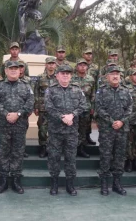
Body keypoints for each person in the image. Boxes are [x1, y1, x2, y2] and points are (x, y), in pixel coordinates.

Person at [0, 61, 34, 194]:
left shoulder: (26, 86)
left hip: (20, 125)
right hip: (3, 125)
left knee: (17, 153)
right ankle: (3, 180)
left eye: (16, 68)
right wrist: (6, 114)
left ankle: (16, 180)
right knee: (3, 152)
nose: (14, 70)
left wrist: (18, 114)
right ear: (6, 71)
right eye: (11, 69)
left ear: (20, 71)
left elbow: (30, 102)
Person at [45, 64, 87, 196]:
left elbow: (84, 105)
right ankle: (54, 183)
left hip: (71, 132)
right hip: (55, 131)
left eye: (68, 73)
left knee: (70, 158)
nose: (65, 75)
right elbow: (48, 106)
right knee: (54, 158)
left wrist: (72, 115)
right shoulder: (50, 90)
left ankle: (70, 184)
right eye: (62, 73)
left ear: (71, 76)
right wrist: (62, 117)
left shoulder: (77, 89)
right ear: (57, 75)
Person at [96, 66, 132, 196]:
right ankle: (104, 184)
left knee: (119, 157)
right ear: (107, 77)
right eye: (112, 74)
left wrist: (121, 121)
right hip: (107, 130)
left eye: (117, 74)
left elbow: (130, 109)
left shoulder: (126, 91)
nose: (115, 76)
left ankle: (117, 184)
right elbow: (99, 109)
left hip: (122, 130)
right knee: (105, 156)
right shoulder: (101, 91)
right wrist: (112, 121)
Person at [71, 59, 95, 158]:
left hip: (86, 108)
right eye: (80, 65)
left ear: (87, 67)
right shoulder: (71, 79)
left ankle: (81, 149)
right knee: (73, 130)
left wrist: (92, 107)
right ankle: (72, 149)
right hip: (73, 109)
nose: (82, 67)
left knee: (83, 130)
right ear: (77, 67)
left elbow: (93, 95)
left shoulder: (91, 79)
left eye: (84, 65)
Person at [34, 57, 57, 158]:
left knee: (54, 129)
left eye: (53, 63)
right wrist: (36, 106)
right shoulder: (40, 77)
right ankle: (43, 147)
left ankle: (52, 148)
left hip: (56, 108)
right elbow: (36, 92)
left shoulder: (59, 77)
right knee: (42, 129)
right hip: (43, 108)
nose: (51, 65)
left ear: (55, 65)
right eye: (49, 63)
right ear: (46, 65)